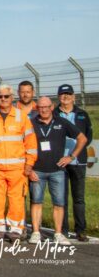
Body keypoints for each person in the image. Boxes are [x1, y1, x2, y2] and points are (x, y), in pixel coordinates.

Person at [29, 96, 88, 245]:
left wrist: (71, 156)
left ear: (52, 107)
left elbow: (82, 138)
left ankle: (58, 233)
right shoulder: (31, 124)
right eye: (40, 107)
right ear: (37, 108)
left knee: (59, 203)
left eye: (46, 107)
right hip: (37, 170)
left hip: (58, 170)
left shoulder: (62, 123)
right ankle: (36, 232)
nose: (43, 110)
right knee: (36, 201)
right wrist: (28, 168)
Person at [0, 84, 38, 241]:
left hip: (17, 169)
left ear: (12, 98)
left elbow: (31, 143)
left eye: (6, 96)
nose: (3, 99)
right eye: (0, 96)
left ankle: (15, 231)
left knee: (17, 200)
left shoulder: (22, 117)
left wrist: (29, 163)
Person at [56, 83, 93, 242]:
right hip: (59, 162)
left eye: (69, 94)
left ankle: (80, 230)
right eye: (63, 94)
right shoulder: (53, 114)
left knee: (78, 198)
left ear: (74, 97)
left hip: (78, 161)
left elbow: (88, 136)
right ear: (59, 97)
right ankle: (63, 230)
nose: (66, 97)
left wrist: (74, 152)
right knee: (61, 198)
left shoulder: (82, 114)